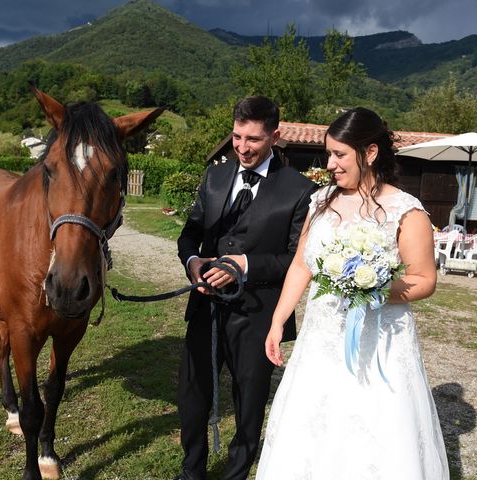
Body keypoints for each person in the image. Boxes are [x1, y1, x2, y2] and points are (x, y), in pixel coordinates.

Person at [256, 107, 449, 479]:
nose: (330, 164)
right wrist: (278, 320)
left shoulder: (406, 211)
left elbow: (425, 279)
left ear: (370, 153)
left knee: (374, 429)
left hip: (379, 344)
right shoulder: (321, 202)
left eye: (339, 154)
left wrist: (373, 285)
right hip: (321, 338)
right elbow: (301, 265)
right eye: (329, 154)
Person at [174, 96, 317, 480]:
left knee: (249, 404)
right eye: (237, 136)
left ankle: (236, 474)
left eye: (253, 139)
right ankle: (192, 472)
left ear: (275, 135)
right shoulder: (215, 177)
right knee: (192, 397)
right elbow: (189, 234)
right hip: (205, 308)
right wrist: (194, 264)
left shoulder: (300, 190)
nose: (242, 147)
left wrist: (245, 266)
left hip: (258, 315)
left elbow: (297, 259)